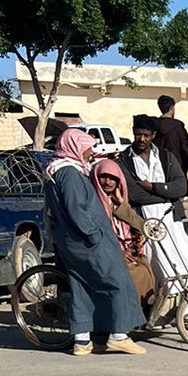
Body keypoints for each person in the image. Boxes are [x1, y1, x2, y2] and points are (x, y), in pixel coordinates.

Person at [43, 129, 145, 356]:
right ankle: (119, 335)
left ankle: (82, 340)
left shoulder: (55, 171)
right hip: (87, 241)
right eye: (87, 147)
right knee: (117, 280)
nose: (90, 152)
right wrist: (94, 235)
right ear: (75, 147)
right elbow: (76, 210)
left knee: (82, 286)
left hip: (70, 241)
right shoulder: (69, 174)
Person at [119, 115, 188, 293]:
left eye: (146, 135)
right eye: (138, 134)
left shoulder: (165, 156)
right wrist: (167, 195)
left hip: (171, 218)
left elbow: (180, 186)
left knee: (184, 259)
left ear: (153, 135)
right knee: (156, 263)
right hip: (144, 221)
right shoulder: (124, 160)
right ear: (133, 133)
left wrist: (153, 187)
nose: (142, 139)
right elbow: (134, 193)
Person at [91, 157, 157, 315]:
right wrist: (118, 253)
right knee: (135, 274)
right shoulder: (93, 203)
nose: (108, 182)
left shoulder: (115, 203)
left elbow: (140, 226)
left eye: (112, 178)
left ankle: (141, 313)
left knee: (145, 269)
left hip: (125, 252)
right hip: (104, 254)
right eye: (103, 177)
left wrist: (123, 205)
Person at [154, 94, 188, 188]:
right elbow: (186, 149)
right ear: (171, 108)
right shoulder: (178, 127)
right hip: (177, 168)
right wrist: (186, 165)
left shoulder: (154, 126)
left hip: (158, 168)